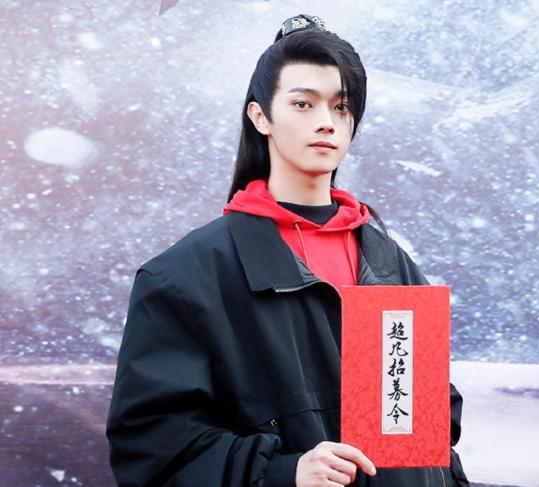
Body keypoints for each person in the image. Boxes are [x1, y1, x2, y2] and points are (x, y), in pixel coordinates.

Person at [106, 14, 469, 487]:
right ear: (261, 116)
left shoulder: (388, 262)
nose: (326, 123)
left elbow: (429, 434)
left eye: (341, 107)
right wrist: (283, 471)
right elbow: (153, 448)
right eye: (303, 103)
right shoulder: (186, 276)